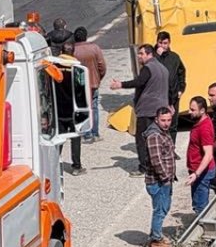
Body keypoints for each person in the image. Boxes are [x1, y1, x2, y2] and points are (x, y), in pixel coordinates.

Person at [110, 44, 170, 177]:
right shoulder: (163, 68)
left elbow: (139, 82)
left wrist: (120, 84)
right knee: (158, 138)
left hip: (148, 109)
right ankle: (159, 164)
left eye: (141, 54)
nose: (138, 56)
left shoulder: (148, 68)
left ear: (149, 54)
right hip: (161, 109)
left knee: (142, 139)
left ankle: (144, 167)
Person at [144, 106, 177, 247]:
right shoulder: (155, 136)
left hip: (164, 180)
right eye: (163, 120)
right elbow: (156, 160)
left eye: (169, 120)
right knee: (160, 209)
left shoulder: (161, 132)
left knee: (164, 207)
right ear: (156, 119)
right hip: (158, 181)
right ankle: (156, 237)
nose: (166, 123)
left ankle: (154, 235)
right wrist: (165, 178)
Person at [72, 26, 107, 143]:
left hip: (79, 85)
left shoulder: (73, 50)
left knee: (82, 108)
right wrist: (98, 78)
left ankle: (85, 133)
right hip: (93, 83)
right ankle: (95, 133)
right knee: (94, 107)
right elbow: (102, 66)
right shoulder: (94, 48)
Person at [184, 95, 216, 215]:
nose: (189, 112)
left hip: (202, 172)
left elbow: (208, 155)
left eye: (193, 110)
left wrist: (196, 174)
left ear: (202, 111)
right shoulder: (200, 123)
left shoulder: (204, 128)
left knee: (200, 207)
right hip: (197, 171)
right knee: (197, 203)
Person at [57, 41, 86, 175]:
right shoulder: (77, 68)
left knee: (59, 138)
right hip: (74, 109)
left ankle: (55, 163)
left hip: (58, 109)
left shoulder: (55, 66)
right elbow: (82, 88)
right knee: (75, 138)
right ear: (73, 52)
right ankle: (76, 166)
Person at [155, 31, 186, 126]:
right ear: (157, 42)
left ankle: (171, 141)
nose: (162, 46)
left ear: (169, 43)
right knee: (159, 123)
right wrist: (157, 56)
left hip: (174, 96)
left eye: (165, 43)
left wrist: (181, 88)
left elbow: (181, 72)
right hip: (158, 97)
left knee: (172, 124)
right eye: (160, 43)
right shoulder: (152, 57)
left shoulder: (174, 57)